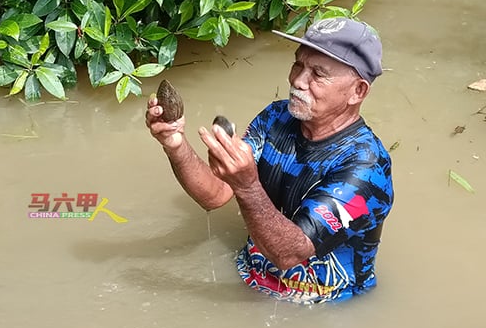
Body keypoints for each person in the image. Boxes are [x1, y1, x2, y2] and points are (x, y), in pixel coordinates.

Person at [145, 17, 394, 304]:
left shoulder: (366, 167)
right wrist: (175, 144)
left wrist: (248, 186)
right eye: (298, 64)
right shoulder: (277, 117)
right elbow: (215, 195)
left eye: (318, 74)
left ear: (357, 91)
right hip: (248, 277)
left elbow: (291, 255)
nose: (298, 80)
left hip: (321, 305)